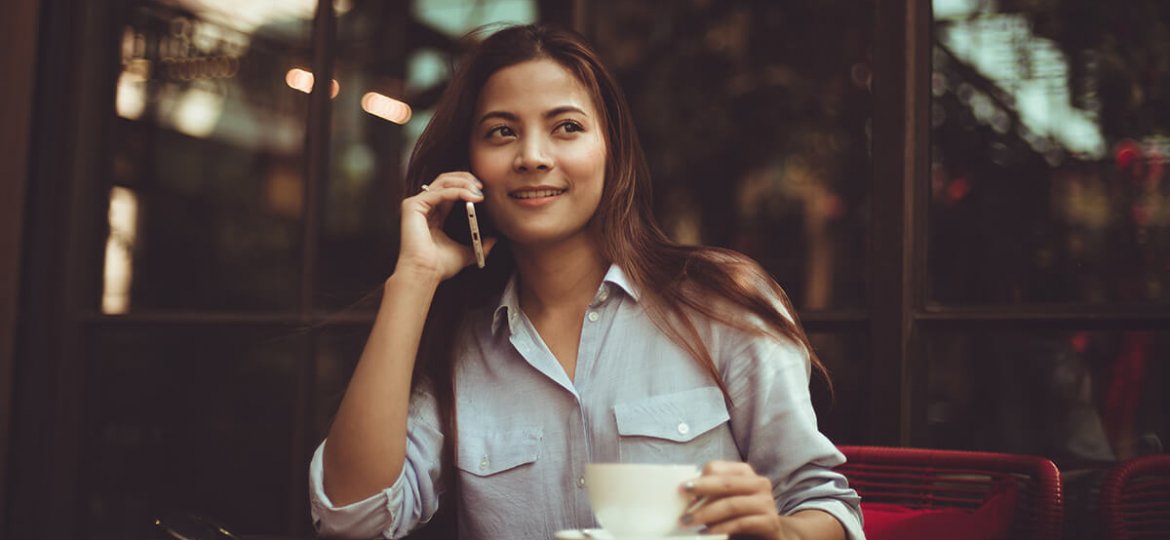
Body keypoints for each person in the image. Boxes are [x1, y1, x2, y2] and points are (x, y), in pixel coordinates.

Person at [309, 23, 864, 540]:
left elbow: (825, 502)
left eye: (566, 128)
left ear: (610, 151)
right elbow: (351, 517)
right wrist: (412, 279)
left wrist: (780, 532)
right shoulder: (460, 346)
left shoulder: (719, 301)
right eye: (502, 132)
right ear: (471, 165)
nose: (532, 156)